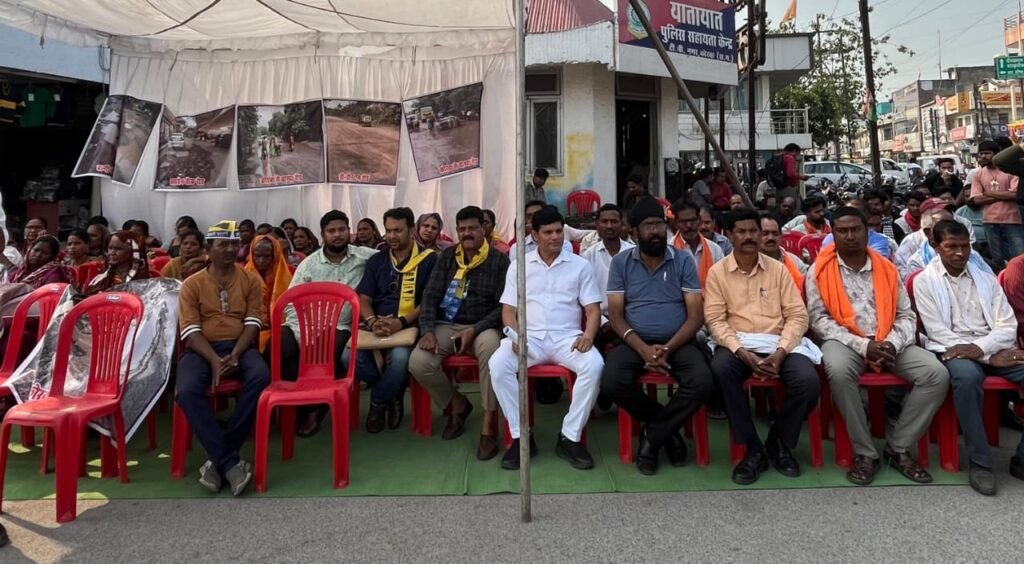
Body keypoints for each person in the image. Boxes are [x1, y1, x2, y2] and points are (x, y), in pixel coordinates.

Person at [806, 207, 947, 486]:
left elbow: (906, 315)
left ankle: (898, 447)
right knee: (838, 370)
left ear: (867, 232)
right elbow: (818, 320)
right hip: (845, 342)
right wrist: (863, 346)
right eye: (842, 231)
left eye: (855, 230)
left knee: (936, 374)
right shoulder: (818, 271)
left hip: (890, 341)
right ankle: (865, 452)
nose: (850, 236)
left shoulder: (887, 268)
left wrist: (892, 343)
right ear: (833, 234)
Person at [704, 208, 820, 485]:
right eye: (741, 232)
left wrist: (781, 352)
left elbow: (797, 315)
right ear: (729, 235)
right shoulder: (717, 273)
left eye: (753, 231)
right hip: (738, 343)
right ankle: (752, 447)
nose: (749, 237)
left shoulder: (779, 270)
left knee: (808, 381)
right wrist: (741, 352)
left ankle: (778, 441)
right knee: (721, 370)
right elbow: (715, 320)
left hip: (778, 342)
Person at [599, 197, 712, 475]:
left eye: (660, 225)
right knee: (611, 381)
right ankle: (667, 430)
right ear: (634, 232)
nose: (656, 231)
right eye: (648, 226)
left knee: (703, 381)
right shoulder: (621, 263)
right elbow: (616, 316)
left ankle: (653, 435)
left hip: (678, 341)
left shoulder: (683, 260)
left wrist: (668, 349)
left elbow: (695, 316)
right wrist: (643, 349)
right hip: (634, 341)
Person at [913, 220, 1024, 495]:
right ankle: (981, 462)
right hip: (953, 349)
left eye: (965, 246)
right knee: (967, 377)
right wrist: (986, 356)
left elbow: (1006, 325)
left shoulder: (985, 279)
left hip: (992, 347)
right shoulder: (925, 281)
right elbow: (936, 331)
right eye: (951, 246)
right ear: (935, 246)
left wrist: (983, 350)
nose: (960, 253)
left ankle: (1021, 459)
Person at [489, 206, 604, 470]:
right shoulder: (519, 265)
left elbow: (592, 309)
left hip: (568, 339)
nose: (555, 237)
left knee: (595, 365)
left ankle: (570, 436)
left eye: (559, 231)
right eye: (548, 232)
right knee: (498, 365)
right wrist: (515, 336)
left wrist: (589, 335)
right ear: (535, 235)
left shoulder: (580, 265)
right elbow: (508, 310)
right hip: (529, 339)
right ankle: (521, 436)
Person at [409, 206, 510, 459]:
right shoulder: (447, 257)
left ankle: (488, 423)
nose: (467, 233)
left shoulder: (499, 261)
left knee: (492, 351)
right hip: (447, 325)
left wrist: (474, 330)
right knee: (419, 362)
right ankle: (457, 403)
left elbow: (503, 307)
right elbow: (430, 296)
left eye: (472, 228)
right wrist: (427, 330)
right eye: (462, 229)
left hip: (483, 327)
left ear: (483, 229)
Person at [176, 220, 269, 496]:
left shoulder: (250, 279)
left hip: (240, 346)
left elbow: (252, 322)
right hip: (201, 350)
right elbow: (190, 330)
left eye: (234, 244)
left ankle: (219, 459)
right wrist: (215, 361)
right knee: (187, 391)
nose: (230, 249)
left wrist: (235, 354)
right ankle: (229, 462)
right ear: (208, 248)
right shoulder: (192, 284)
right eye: (223, 244)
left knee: (261, 377)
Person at [280, 210, 377, 437]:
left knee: (331, 347)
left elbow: (391, 257)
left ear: (349, 231)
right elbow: (290, 301)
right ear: (323, 234)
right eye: (331, 231)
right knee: (281, 345)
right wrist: (303, 332)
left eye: (342, 229)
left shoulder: (365, 257)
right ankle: (298, 403)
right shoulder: (309, 264)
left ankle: (317, 407)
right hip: (304, 324)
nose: (337, 235)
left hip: (341, 326)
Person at [354, 207, 437, 433]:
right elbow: (363, 298)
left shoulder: (429, 260)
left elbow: (429, 300)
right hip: (376, 326)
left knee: (400, 359)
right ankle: (393, 391)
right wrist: (373, 321)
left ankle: (378, 402)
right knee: (349, 358)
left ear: (411, 230)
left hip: (408, 326)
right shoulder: (377, 260)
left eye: (397, 230)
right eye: (388, 230)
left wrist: (401, 322)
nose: (391, 236)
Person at [582, 204, 635, 336]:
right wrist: (603, 322)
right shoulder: (588, 256)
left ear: (621, 224)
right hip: (599, 322)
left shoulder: (634, 253)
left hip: (632, 319)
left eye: (614, 221)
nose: (609, 226)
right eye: (604, 221)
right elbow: (584, 295)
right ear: (597, 224)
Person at [971, 139, 1024, 270]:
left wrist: (988, 194)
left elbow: (1015, 195)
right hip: (989, 221)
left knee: (1020, 257)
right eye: (981, 154)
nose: (983, 156)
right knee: (997, 260)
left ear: (996, 153)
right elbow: (976, 199)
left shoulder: (1010, 170)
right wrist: (1004, 195)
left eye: (987, 153)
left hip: (1012, 219)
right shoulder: (978, 174)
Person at [902, 208, 992, 278]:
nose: (951, 228)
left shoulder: (973, 255)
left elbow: (992, 282)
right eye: (943, 226)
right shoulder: (917, 261)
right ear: (927, 232)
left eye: (952, 224)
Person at [243, 235, 292, 353]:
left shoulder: (290, 274)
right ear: (251, 255)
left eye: (267, 256)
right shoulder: (244, 276)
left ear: (275, 255)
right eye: (257, 256)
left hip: (282, 329)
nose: (261, 260)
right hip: (251, 329)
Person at [670, 201, 724, 288]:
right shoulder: (669, 249)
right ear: (676, 224)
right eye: (683, 222)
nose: (689, 225)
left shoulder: (714, 249)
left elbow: (722, 280)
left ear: (699, 220)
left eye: (692, 220)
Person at [820, 202, 897, 261]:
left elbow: (876, 263)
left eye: (855, 213)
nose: (850, 237)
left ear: (867, 216)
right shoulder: (830, 238)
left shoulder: (879, 240)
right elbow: (824, 261)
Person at [83, 230, 151, 296]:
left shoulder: (145, 278)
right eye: (110, 248)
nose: (112, 253)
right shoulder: (102, 277)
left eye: (118, 249)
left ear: (132, 251)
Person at [507, 200, 574, 258]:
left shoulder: (565, 245)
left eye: (537, 214)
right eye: (529, 216)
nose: (533, 219)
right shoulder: (517, 248)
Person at [759, 212, 806, 288]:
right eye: (765, 233)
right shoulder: (748, 264)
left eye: (775, 234)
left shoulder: (795, 262)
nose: (771, 238)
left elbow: (804, 289)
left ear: (781, 236)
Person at [6, 236, 74, 288]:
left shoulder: (54, 275)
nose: (38, 255)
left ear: (52, 257)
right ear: (29, 250)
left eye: (45, 253)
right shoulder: (18, 274)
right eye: (36, 250)